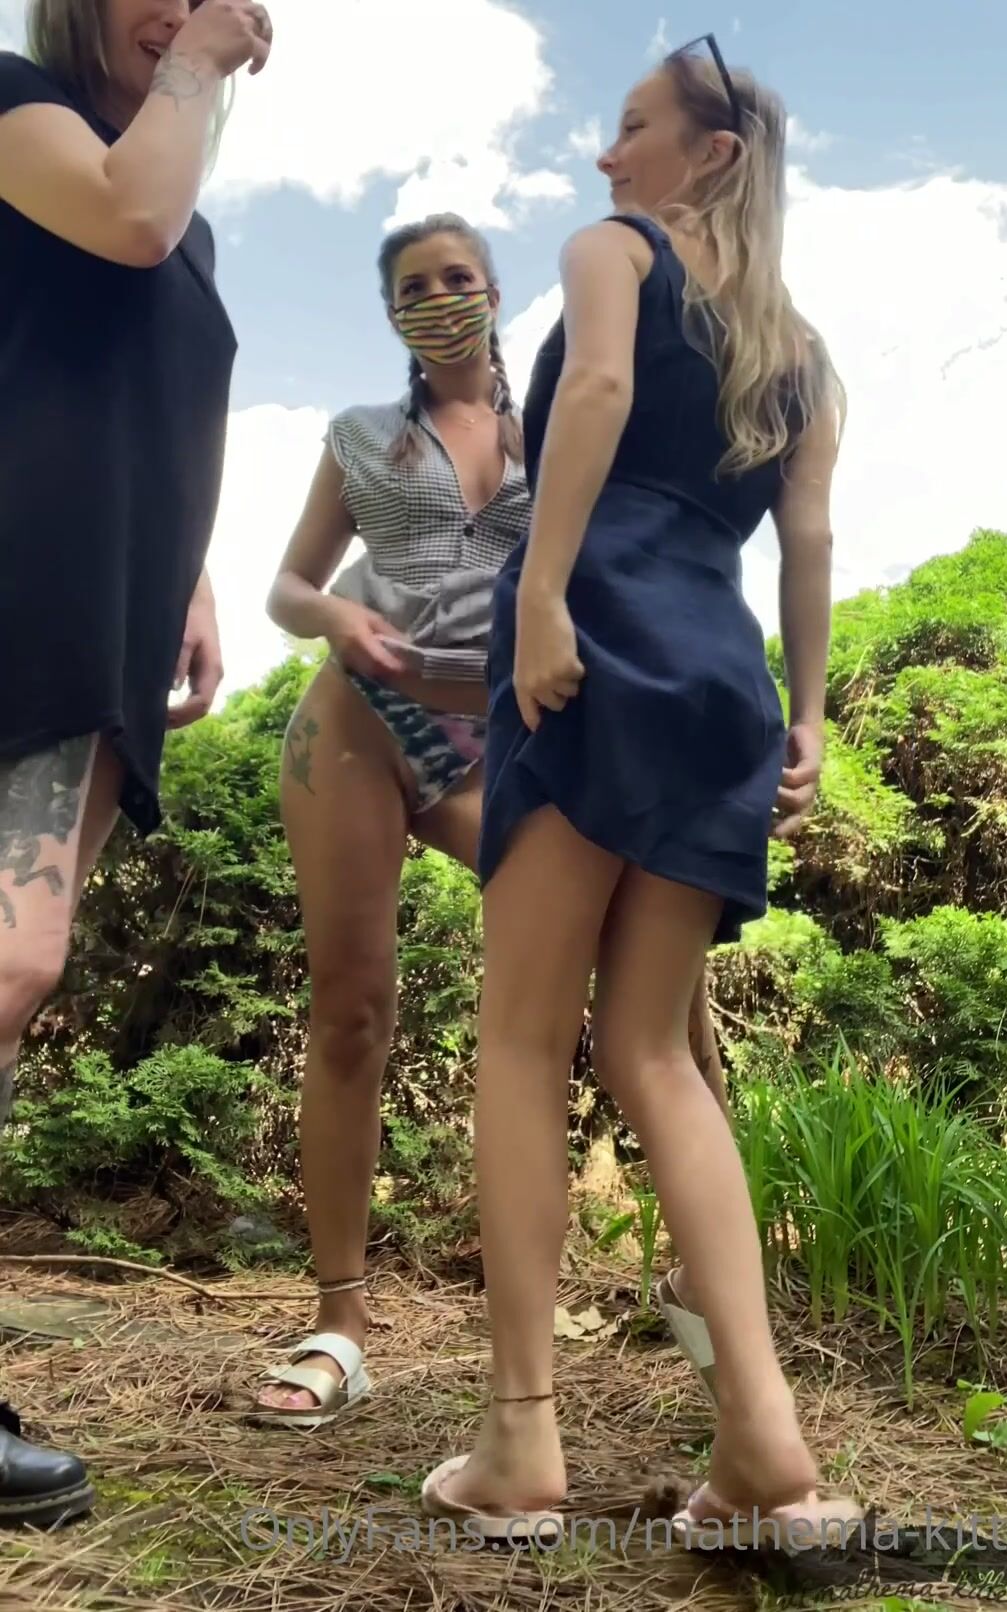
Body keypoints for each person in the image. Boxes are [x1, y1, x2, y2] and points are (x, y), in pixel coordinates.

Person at [419, 39, 865, 1553]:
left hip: (594, 633)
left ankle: (519, 1441)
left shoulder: (612, 252)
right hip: (721, 674)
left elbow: (597, 385)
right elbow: (809, 542)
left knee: (524, 1037)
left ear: (710, 155)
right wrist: (809, 719)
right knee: (654, 1049)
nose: (608, 158)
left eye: (632, 129)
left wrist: (542, 594)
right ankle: (765, 1443)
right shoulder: (802, 354)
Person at [254, 212, 735, 1428]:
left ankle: (707, 1285)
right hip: (362, 725)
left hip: (510, 732)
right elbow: (289, 584)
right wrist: (336, 617)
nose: (440, 297)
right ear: (391, 311)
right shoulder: (361, 438)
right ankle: (341, 1319)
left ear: (496, 291)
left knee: (652, 976)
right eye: (415, 285)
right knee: (352, 1007)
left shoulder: (563, 422)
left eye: (459, 277)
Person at [0, 0, 271, 1526]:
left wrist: (191, 576)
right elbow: (125, 218)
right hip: (19, 596)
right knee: (12, 964)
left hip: (103, 625)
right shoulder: (12, 105)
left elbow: (141, 407)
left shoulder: (196, 225)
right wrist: (200, 64)